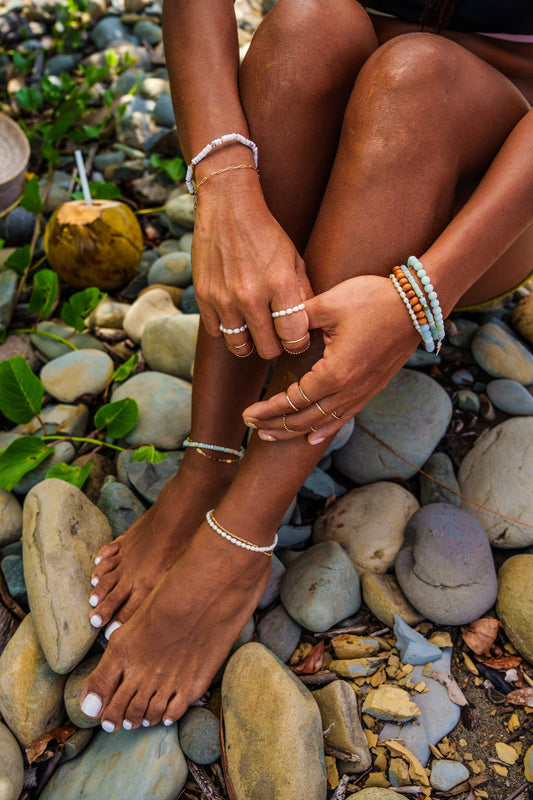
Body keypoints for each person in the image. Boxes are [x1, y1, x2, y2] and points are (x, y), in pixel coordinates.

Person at [80, 0, 533, 732]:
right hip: (329, 92)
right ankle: (208, 457)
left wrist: (419, 293)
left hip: (495, 172)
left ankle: (244, 530)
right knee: (305, 22)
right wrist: (223, 180)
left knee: (417, 76)